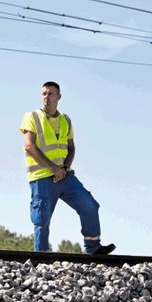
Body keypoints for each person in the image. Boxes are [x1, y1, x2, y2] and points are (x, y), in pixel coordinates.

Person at [20, 81, 115, 255]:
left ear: (59, 97)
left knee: (90, 205)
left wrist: (63, 168)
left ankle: (93, 247)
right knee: (42, 220)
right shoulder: (32, 117)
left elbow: (71, 148)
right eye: (44, 94)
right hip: (41, 177)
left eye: (50, 94)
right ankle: (40, 256)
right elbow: (29, 146)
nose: (46, 97)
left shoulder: (66, 120)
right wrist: (53, 169)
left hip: (65, 177)